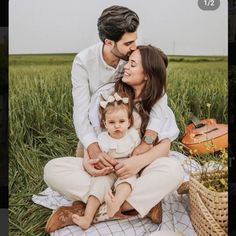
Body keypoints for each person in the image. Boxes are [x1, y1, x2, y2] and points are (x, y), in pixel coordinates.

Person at [44, 45, 184, 233]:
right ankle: (137, 204)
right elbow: (92, 138)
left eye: (133, 64)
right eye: (128, 62)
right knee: (52, 169)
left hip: (139, 172)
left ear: (147, 75)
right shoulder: (108, 95)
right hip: (106, 169)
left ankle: (93, 210)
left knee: (173, 170)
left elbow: (165, 146)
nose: (125, 67)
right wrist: (89, 164)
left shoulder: (158, 102)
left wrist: (137, 162)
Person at [71, 92, 140, 229]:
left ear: (129, 122)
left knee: (127, 183)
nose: (117, 126)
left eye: (121, 121)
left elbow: (138, 153)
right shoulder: (102, 138)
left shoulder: (133, 135)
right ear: (105, 124)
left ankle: (115, 204)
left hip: (126, 168)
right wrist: (97, 167)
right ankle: (87, 217)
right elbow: (92, 153)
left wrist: (134, 163)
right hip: (107, 170)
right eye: (111, 122)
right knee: (97, 186)